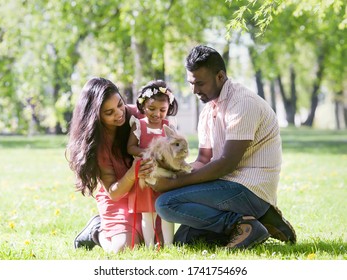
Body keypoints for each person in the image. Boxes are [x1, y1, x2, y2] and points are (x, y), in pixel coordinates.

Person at [151, 45, 297, 249]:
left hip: (249, 188)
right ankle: (263, 219)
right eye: (191, 83)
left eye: (200, 83)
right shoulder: (208, 110)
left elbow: (227, 164)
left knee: (166, 204)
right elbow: (203, 160)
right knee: (185, 240)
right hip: (225, 186)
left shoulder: (243, 104)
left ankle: (244, 224)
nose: (194, 90)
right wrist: (172, 175)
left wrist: (174, 184)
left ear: (220, 76)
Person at [67, 77, 157, 253]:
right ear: (96, 116)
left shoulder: (135, 116)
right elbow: (114, 192)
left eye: (120, 104)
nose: (119, 113)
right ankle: (96, 231)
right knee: (124, 247)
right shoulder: (97, 144)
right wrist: (133, 173)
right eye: (109, 112)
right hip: (117, 196)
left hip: (142, 192)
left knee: (151, 239)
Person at [127, 80, 179, 247]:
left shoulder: (169, 126)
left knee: (165, 212)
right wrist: (149, 153)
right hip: (145, 175)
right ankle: (149, 245)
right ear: (143, 107)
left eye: (162, 110)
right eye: (152, 109)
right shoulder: (139, 125)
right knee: (147, 214)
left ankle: (169, 244)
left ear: (168, 108)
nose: (157, 114)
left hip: (164, 176)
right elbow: (130, 147)